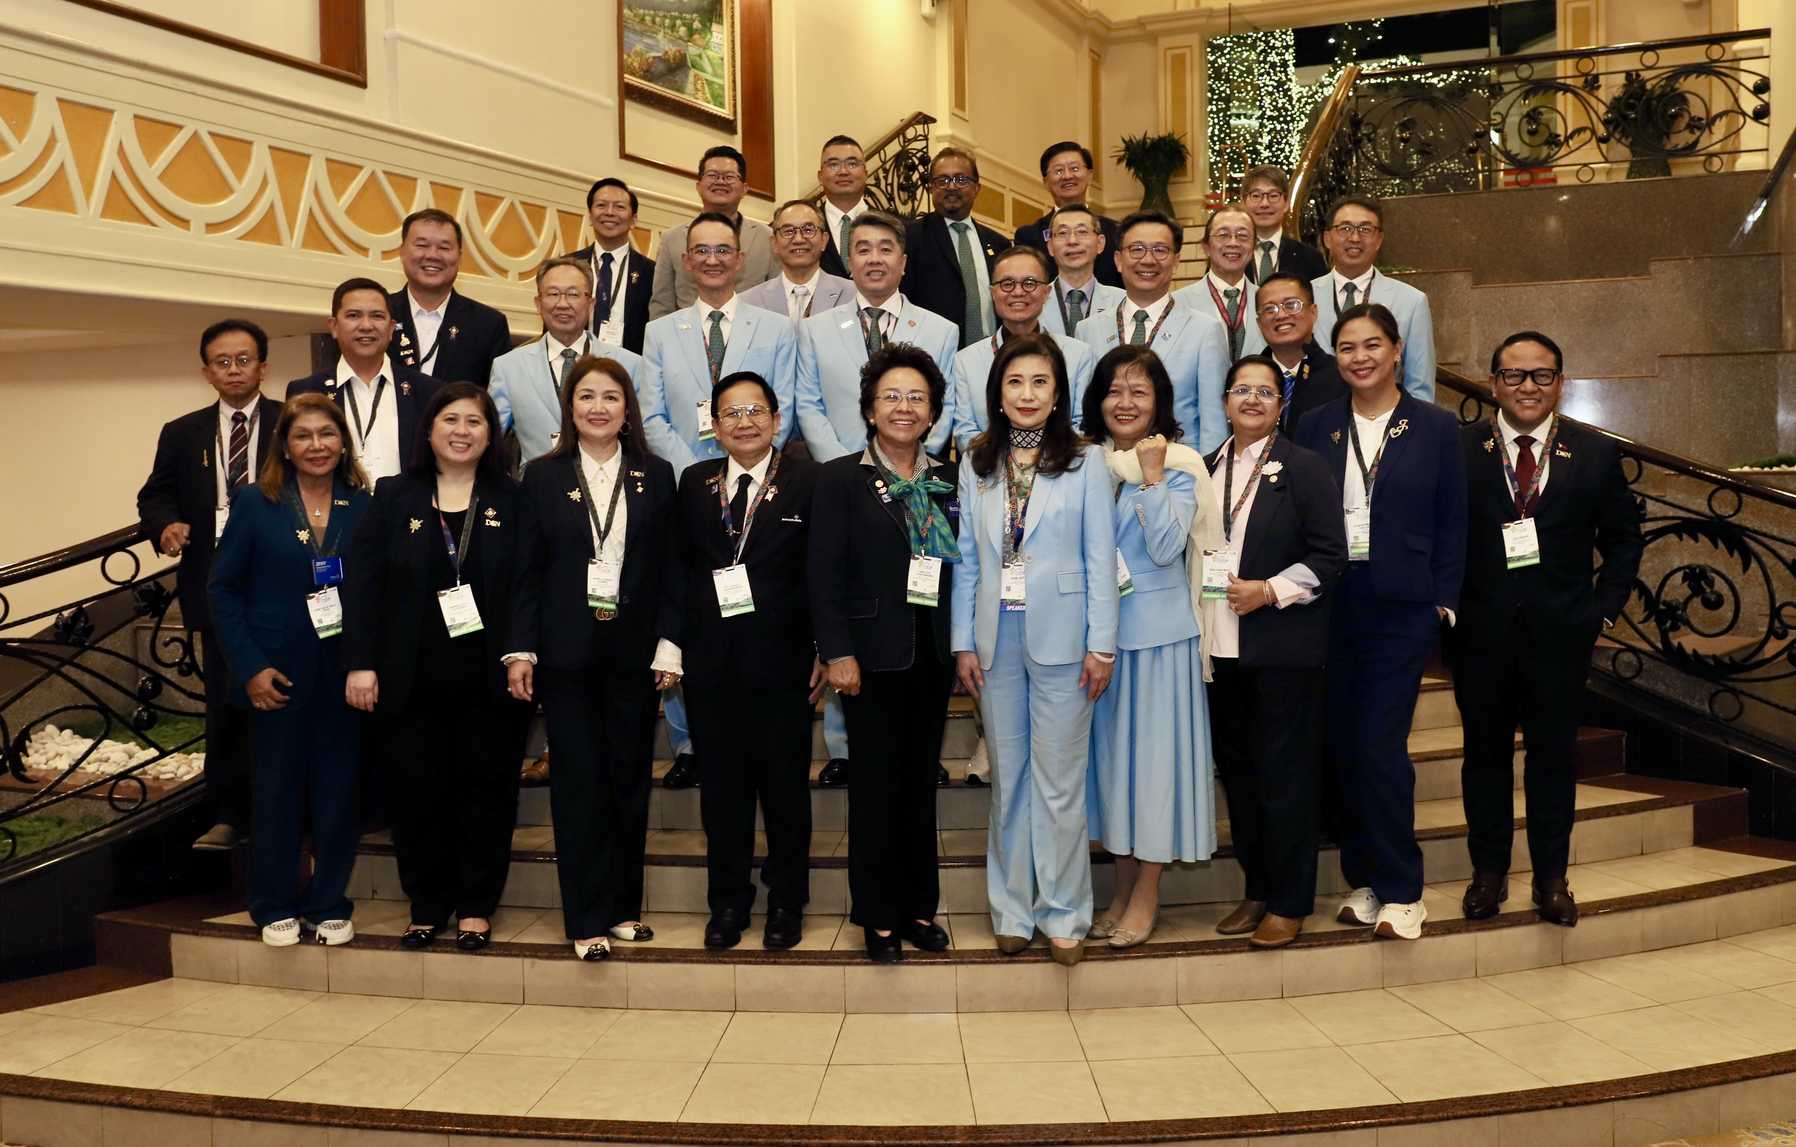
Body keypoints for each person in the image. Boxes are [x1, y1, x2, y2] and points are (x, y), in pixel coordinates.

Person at [1450, 332, 1643, 927]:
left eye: (1541, 375)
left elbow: (1624, 540)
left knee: (1553, 759)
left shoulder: (1595, 452)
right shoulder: (1460, 448)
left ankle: (1551, 879)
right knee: (1484, 757)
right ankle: (1488, 874)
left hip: (1561, 635)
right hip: (1479, 634)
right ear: (1493, 383)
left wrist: (1602, 611)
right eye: (1513, 375)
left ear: (1561, 383)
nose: (1527, 386)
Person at [1294, 303, 1466, 942]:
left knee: (1380, 745)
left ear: (1396, 351)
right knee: (1342, 745)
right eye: (1347, 347)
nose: (1359, 357)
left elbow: (1454, 516)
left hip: (1401, 604)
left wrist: (1442, 598)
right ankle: (1364, 879)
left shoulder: (1435, 427)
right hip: (1329, 600)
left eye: (1372, 345)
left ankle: (1403, 890)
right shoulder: (1316, 425)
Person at [505, 357, 683, 961]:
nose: (599, 407)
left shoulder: (656, 474)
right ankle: (585, 918)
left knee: (629, 780)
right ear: (570, 408)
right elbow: (526, 571)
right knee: (579, 783)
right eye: (586, 396)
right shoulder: (542, 475)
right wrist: (521, 648)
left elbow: (672, 568)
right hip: (566, 655)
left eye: (611, 396)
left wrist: (670, 643)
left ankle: (623, 908)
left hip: (636, 652)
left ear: (627, 408)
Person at [342, 383, 531, 950]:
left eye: (475, 421)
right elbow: (364, 584)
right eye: (450, 419)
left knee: (486, 794)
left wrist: (522, 651)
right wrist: (360, 663)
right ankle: (426, 904)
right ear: (428, 430)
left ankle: (475, 906)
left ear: (491, 434)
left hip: (491, 677)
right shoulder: (394, 495)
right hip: (409, 678)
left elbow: (527, 585)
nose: (461, 431)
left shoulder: (512, 498)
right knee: (416, 794)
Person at [952, 334, 1118, 966]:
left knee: (1060, 784)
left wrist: (1102, 645)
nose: (1026, 394)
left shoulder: (1086, 460)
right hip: (995, 640)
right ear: (998, 392)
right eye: (1015, 382)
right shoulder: (977, 461)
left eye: (1040, 382)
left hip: (1067, 639)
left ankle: (1066, 913)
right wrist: (962, 642)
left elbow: (1101, 558)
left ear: (1057, 395)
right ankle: (1012, 911)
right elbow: (968, 560)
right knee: (1009, 780)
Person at [810, 345, 961, 962]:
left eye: (917, 398)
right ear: (870, 409)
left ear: (933, 413)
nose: (904, 407)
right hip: (868, 658)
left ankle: (919, 907)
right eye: (891, 396)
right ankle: (877, 916)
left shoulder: (948, 479)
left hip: (932, 655)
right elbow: (823, 574)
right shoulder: (840, 478)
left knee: (919, 785)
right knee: (874, 790)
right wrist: (836, 651)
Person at [209, 393, 372, 947]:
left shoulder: (364, 503)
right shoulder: (257, 503)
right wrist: (250, 668)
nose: (316, 445)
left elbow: (377, 591)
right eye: (303, 435)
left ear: (343, 442)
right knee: (276, 794)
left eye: (327, 434)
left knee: (338, 795)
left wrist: (367, 664)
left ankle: (328, 903)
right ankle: (272, 904)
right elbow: (223, 589)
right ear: (284, 445)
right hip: (275, 677)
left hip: (345, 675)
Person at [1202, 356, 1347, 949]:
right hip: (1218, 650)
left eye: (1265, 392)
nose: (1252, 400)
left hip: (1282, 648)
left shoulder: (1305, 466)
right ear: (1225, 401)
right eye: (1242, 390)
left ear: (1281, 404)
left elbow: (1329, 555)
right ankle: (1258, 888)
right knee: (1240, 777)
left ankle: (1289, 901)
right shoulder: (1206, 466)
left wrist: (1269, 590)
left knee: (1285, 779)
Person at [674, 371, 821, 950]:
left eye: (756, 411)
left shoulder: (808, 480)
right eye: (731, 413)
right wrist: (674, 645)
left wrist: (823, 647)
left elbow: (822, 570)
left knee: (785, 791)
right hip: (711, 666)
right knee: (722, 794)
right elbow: (681, 571)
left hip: (784, 663)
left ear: (777, 420)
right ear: (714, 426)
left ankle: (786, 901)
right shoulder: (694, 483)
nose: (745, 422)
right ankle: (728, 902)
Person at [1080, 345, 1215, 949]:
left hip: (1160, 641)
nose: (1126, 402)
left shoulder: (1179, 465)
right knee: (1113, 773)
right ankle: (1121, 887)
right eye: (1114, 390)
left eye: (1139, 391)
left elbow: (1163, 547)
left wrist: (1153, 477)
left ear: (1159, 401)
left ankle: (1147, 894)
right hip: (1098, 641)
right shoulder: (1087, 464)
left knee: (1154, 773)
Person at [137, 319, 282, 851]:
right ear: (206, 373)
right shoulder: (182, 432)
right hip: (216, 584)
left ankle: (292, 809)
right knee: (227, 703)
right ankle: (230, 815)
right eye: (223, 362)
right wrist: (165, 525)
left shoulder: (292, 422)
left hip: (283, 583)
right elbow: (154, 495)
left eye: (244, 360)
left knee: (291, 697)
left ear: (263, 367)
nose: (234, 370)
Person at [640, 212, 799, 475]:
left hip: (755, 476)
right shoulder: (659, 333)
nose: (712, 260)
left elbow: (783, 408)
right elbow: (651, 417)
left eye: (723, 250)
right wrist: (693, 473)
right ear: (687, 261)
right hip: (682, 478)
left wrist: (745, 465)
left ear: (739, 259)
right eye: (701, 250)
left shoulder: (777, 328)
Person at [797, 210, 959, 463]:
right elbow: (809, 406)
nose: (874, 259)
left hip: (913, 472)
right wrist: (842, 468)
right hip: (838, 471)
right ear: (850, 263)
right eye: (863, 250)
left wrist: (911, 463)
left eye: (885, 250)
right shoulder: (814, 330)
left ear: (903, 263)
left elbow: (945, 407)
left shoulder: (941, 331)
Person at [1075, 211, 1229, 454]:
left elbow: (1214, 424)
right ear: (1118, 260)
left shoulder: (1204, 331)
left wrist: (1206, 473)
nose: (1148, 260)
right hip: (1104, 466)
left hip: (1176, 467)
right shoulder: (1088, 330)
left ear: (1176, 261)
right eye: (1137, 249)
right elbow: (1083, 416)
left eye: (1160, 250)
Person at [491, 257, 645, 465]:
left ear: (591, 304)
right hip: (537, 482)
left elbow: (640, 438)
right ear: (538, 303)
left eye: (573, 294)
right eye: (553, 294)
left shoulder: (629, 364)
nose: (562, 304)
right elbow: (489, 439)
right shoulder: (508, 367)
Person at [288, 278, 442, 484]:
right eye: (353, 315)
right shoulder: (306, 391)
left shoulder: (428, 391)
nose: (366, 326)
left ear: (391, 328)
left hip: (406, 505)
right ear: (334, 326)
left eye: (377, 316)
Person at [952, 245, 1097, 451]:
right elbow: (965, 432)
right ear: (993, 292)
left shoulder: (1078, 355)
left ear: (1046, 292)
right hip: (991, 467)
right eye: (1007, 284)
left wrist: (1039, 462)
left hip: (1060, 466)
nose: (1018, 292)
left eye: (1029, 283)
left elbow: (1081, 425)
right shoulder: (966, 360)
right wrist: (1012, 463)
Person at [1310, 196, 1436, 402]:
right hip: (1318, 416)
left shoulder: (1411, 301)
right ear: (1327, 238)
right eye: (1345, 228)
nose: (1355, 238)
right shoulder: (1305, 297)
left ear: (1379, 240)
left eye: (1365, 229)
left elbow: (1419, 387)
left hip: (1386, 417)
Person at [387, 208, 512, 387]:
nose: (432, 255)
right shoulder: (379, 314)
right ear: (402, 252)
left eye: (444, 248)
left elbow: (498, 397)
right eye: (421, 245)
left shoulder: (489, 325)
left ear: (459, 257)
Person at [649, 146, 776, 318]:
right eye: (712, 175)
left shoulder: (767, 237)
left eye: (729, 176)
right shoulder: (671, 239)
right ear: (698, 186)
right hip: (688, 332)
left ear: (745, 188)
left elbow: (776, 299)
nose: (720, 181)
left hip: (753, 331)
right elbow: (661, 304)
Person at [901, 147, 1009, 348]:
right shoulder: (910, 237)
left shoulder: (999, 244)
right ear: (931, 188)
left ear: (977, 188)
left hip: (993, 353)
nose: (951, 187)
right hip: (933, 352)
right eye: (942, 180)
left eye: (961, 179)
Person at [1013, 142, 1123, 288]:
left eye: (1074, 168)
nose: (1067, 176)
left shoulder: (1115, 231)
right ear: (1046, 182)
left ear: (1090, 175)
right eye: (1058, 171)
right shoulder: (1029, 236)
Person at [566, 177, 654, 354]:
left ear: (634, 220)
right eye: (601, 205)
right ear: (590, 216)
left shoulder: (651, 272)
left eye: (619, 207)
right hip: (575, 363)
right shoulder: (567, 266)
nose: (609, 212)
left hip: (631, 366)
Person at [1253, 273, 1347, 433]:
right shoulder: (1247, 378)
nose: (1281, 315)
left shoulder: (1341, 375)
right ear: (1259, 323)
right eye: (1270, 309)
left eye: (1291, 305)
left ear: (1313, 312)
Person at [1173, 206, 1265, 360]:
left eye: (1243, 236)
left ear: (1254, 246)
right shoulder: (1178, 303)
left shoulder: (1266, 300)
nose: (1233, 243)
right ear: (1206, 247)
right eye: (1223, 235)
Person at [740, 199, 854, 320]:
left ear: (824, 240)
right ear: (774, 243)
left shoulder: (853, 295)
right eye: (788, 231)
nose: (798, 239)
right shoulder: (747, 303)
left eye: (808, 230)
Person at [1037, 204, 1125, 337]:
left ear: (1100, 243)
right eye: (1062, 233)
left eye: (1082, 232)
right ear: (1050, 246)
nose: (1072, 241)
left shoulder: (1122, 302)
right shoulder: (1034, 302)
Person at [1239, 166, 1327, 285]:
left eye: (1273, 196)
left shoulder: (1311, 258)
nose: (1264, 203)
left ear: (1286, 203)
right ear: (1243, 203)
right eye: (1256, 196)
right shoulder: (1231, 254)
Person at [816, 135, 870, 280]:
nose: (843, 171)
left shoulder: (893, 227)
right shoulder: (806, 229)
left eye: (852, 164)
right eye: (833, 165)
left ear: (865, 173)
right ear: (820, 176)